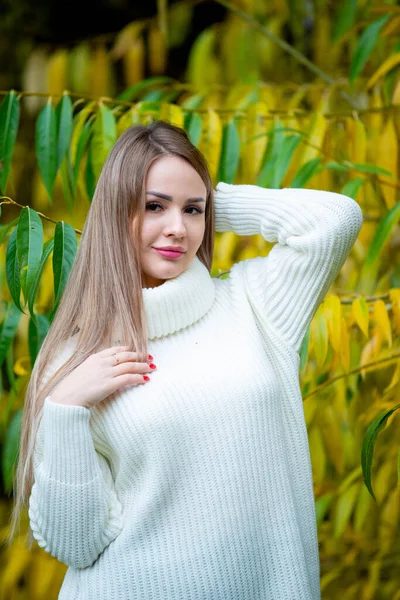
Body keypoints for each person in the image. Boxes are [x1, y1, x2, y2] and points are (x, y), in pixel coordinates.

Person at [9, 120, 363, 599]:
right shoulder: (74, 360)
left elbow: (334, 219)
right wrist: (66, 410)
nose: (177, 228)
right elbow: (77, 545)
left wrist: (208, 200)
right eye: (154, 206)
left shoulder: (255, 305)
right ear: (116, 213)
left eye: (192, 211)